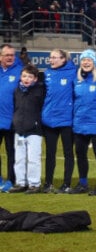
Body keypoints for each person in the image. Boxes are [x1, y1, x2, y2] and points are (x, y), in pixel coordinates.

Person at [71, 50, 96, 194]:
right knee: (80, 154)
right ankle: (83, 183)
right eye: (83, 60)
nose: (86, 62)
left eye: (89, 60)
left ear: (94, 62)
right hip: (80, 123)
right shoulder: (77, 79)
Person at [40, 49, 76, 193]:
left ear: (63, 59)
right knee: (50, 153)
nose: (51, 60)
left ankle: (66, 184)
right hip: (49, 120)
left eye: (55, 58)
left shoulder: (74, 72)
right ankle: (48, 183)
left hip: (67, 120)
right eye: (50, 58)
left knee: (68, 153)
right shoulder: (46, 74)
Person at [10, 64, 46, 193]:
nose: (26, 79)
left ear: (35, 79)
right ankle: (20, 183)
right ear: (20, 77)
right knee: (19, 158)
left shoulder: (40, 90)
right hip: (19, 130)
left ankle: (34, 184)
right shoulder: (17, 91)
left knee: (33, 158)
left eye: (30, 77)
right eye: (24, 76)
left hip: (34, 130)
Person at [0, 43, 23, 191]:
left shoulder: (20, 71)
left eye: (12, 55)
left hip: (12, 120)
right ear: (0, 56)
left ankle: (11, 180)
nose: (10, 57)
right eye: (7, 55)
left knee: (12, 153)